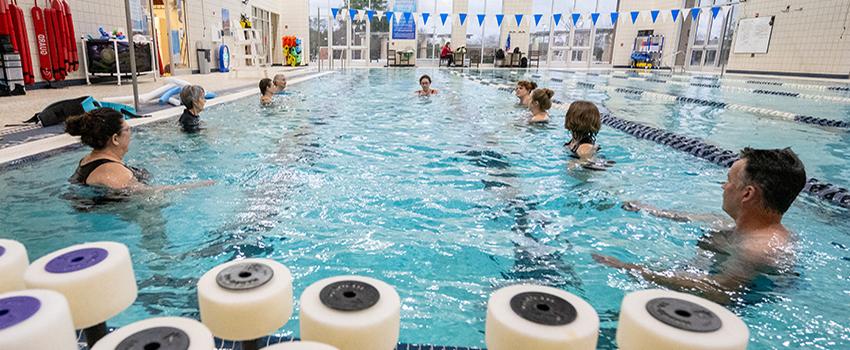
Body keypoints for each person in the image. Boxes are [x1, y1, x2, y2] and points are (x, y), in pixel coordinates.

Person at [593, 148, 807, 303]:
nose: (724, 187)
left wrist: (632, 269)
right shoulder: (744, 228)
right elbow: (687, 217)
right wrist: (647, 209)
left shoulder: (758, 249)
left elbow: (718, 291)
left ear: (747, 193)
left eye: (729, 180)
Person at [65, 108, 214, 191]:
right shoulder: (115, 174)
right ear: (115, 139)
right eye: (128, 130)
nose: (131, 134)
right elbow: (150, 196)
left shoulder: (88, 160)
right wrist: (195, 186)